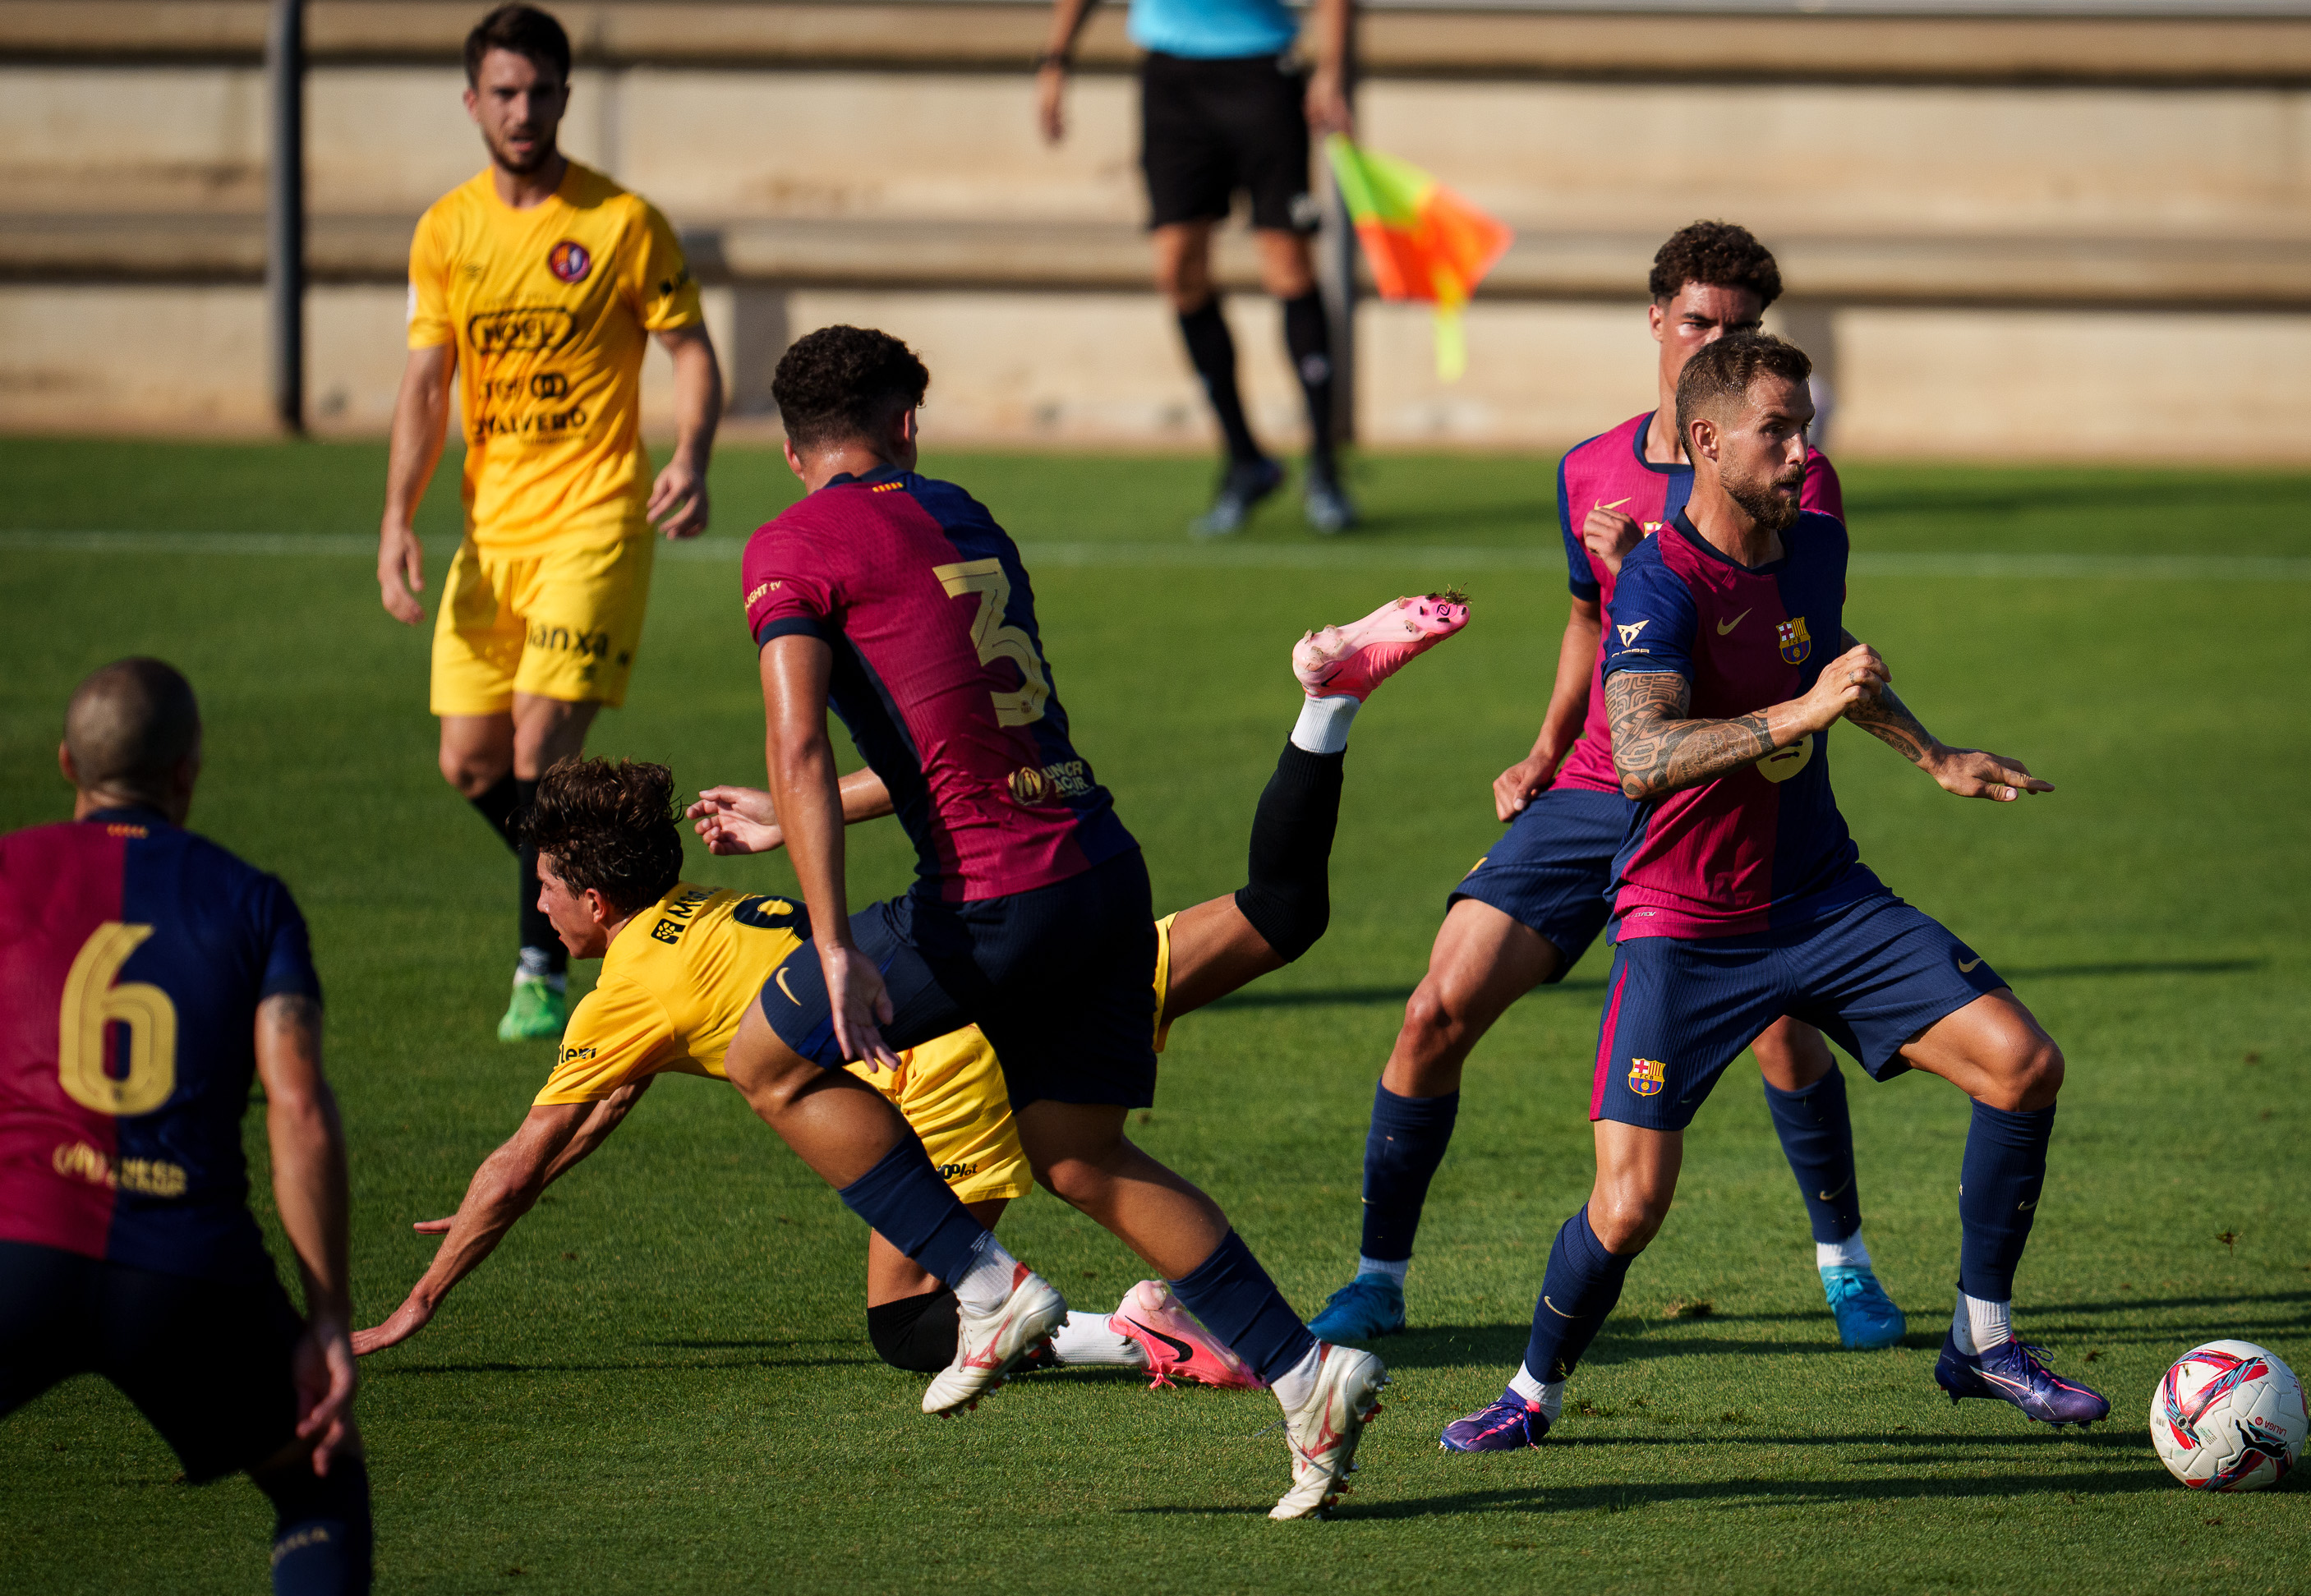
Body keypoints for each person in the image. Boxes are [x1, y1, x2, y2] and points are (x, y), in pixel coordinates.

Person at [351, 583, 1462, 1384]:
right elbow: (588, 1118)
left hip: (947, 1071)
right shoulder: (714, 917)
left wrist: (415, 1305)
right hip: (1032, 950)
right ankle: (1327, 706)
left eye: (543, 887)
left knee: (912, 1326)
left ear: (597, 899)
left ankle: (1147, 1335)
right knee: (1280, 915)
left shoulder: (628, 990)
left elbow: (525, 1152)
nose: (536, 909)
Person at [719, 324, 1394, 1518]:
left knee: (767, 1057)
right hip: (1099, 870)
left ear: (786, 447)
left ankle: (986, 1285)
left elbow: (797, 745)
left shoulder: (792, 545)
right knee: (1080, 1155)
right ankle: (1307, 1374)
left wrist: (830, 943)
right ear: (906, 427)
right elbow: (958, 740)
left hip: (990, 899)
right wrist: (800, 822)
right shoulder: (965, 515)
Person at [1437, 333, 2108, 1453]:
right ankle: (1531, 1392)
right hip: (1685, 928)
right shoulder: (1658, 582)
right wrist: (1802, 716)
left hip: (1822, 900)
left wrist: (1930, 753)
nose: (1805, 452)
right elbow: (1643, 752)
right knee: (1630, 1205)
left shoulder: (1813, 542)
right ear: (1706, 442)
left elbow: (1824, 646)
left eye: (1807, 427)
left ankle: (1982, 1341)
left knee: (2024, 1064)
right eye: (1779, 433)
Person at [1311, 221, 1907, 1354]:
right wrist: (1542, 749)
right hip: (1596, 787)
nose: (1712, 343)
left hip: (1724, 786)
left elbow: (1789, 631)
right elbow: (1589, 621)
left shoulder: (1796, 471)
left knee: (1782, 1024)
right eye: (1697, 322)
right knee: (1436, 1008)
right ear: (1655, 320)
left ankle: (1845, 1265)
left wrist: (1662, 558)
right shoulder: (1586, 466)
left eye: (1737, 330)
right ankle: (1378, 1278)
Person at [375, 2, 724, 1044]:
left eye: (541, 92)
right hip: (494, 536)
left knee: (537, 741)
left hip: (597, 518)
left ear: (567, 98)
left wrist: (693, 453)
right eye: (505, 92)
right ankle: (626, 890)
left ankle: (541, 966)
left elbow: (691, 348)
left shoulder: (620, 222)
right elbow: (427, 383)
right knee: (473, 764)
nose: (524, 111)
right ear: (473, 101)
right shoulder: (448, 230)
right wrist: (397, 514)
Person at [0, 659, 370, 1594]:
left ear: (64, 762)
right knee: (318, 1486)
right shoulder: (251, 898)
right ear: (188, 769)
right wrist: (325, 1315)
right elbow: (297, 1107)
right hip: (190, 1269)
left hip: (20, 1244)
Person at [1037, 0, 1358, 536]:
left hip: (1262, 71)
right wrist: (1057, 57)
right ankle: (1245, 460)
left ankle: (1324, 468)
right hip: (1173, 81)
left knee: (1287, 263)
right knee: (1178, 268)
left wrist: (1331, 69)